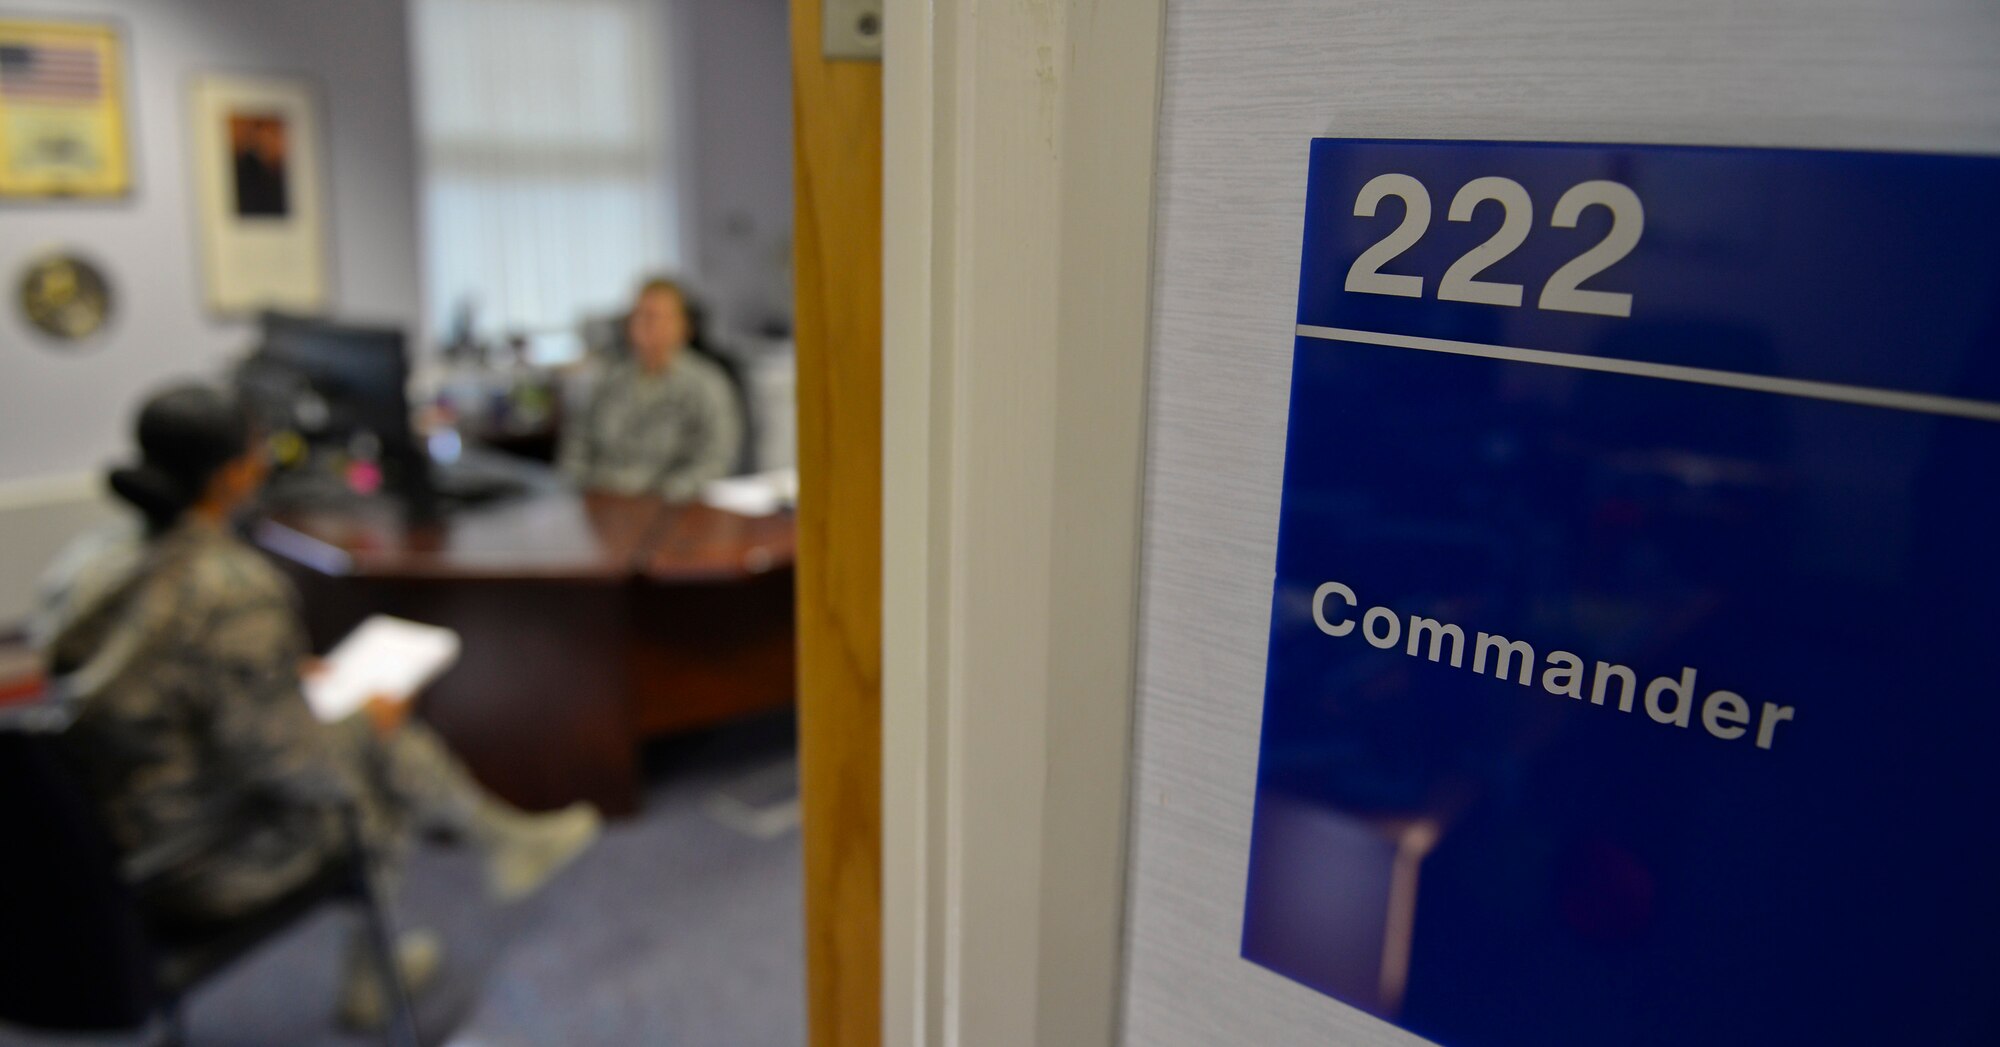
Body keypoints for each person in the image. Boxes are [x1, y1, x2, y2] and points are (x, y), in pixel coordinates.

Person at [32, 383, 601, 1031]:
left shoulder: (90, 562)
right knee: (369, 775)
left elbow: (138, 674)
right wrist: (369, 718)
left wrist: (278, 675)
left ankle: (498, 835)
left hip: (86, 838)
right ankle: (381, 970)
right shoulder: (232, 587)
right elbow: (299, 768)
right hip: (191, 859)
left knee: (371, 740)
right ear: (232, 475)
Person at [558, 276, 744, 500]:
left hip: (669, 508)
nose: (647, 325)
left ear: (683, 325)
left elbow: (716, 459)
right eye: (640, 316)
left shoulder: (707, 383)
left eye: (657, 317)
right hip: (601, 503)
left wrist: (665, 497)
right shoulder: (608, 380)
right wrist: (576, 491)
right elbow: (576, 446)